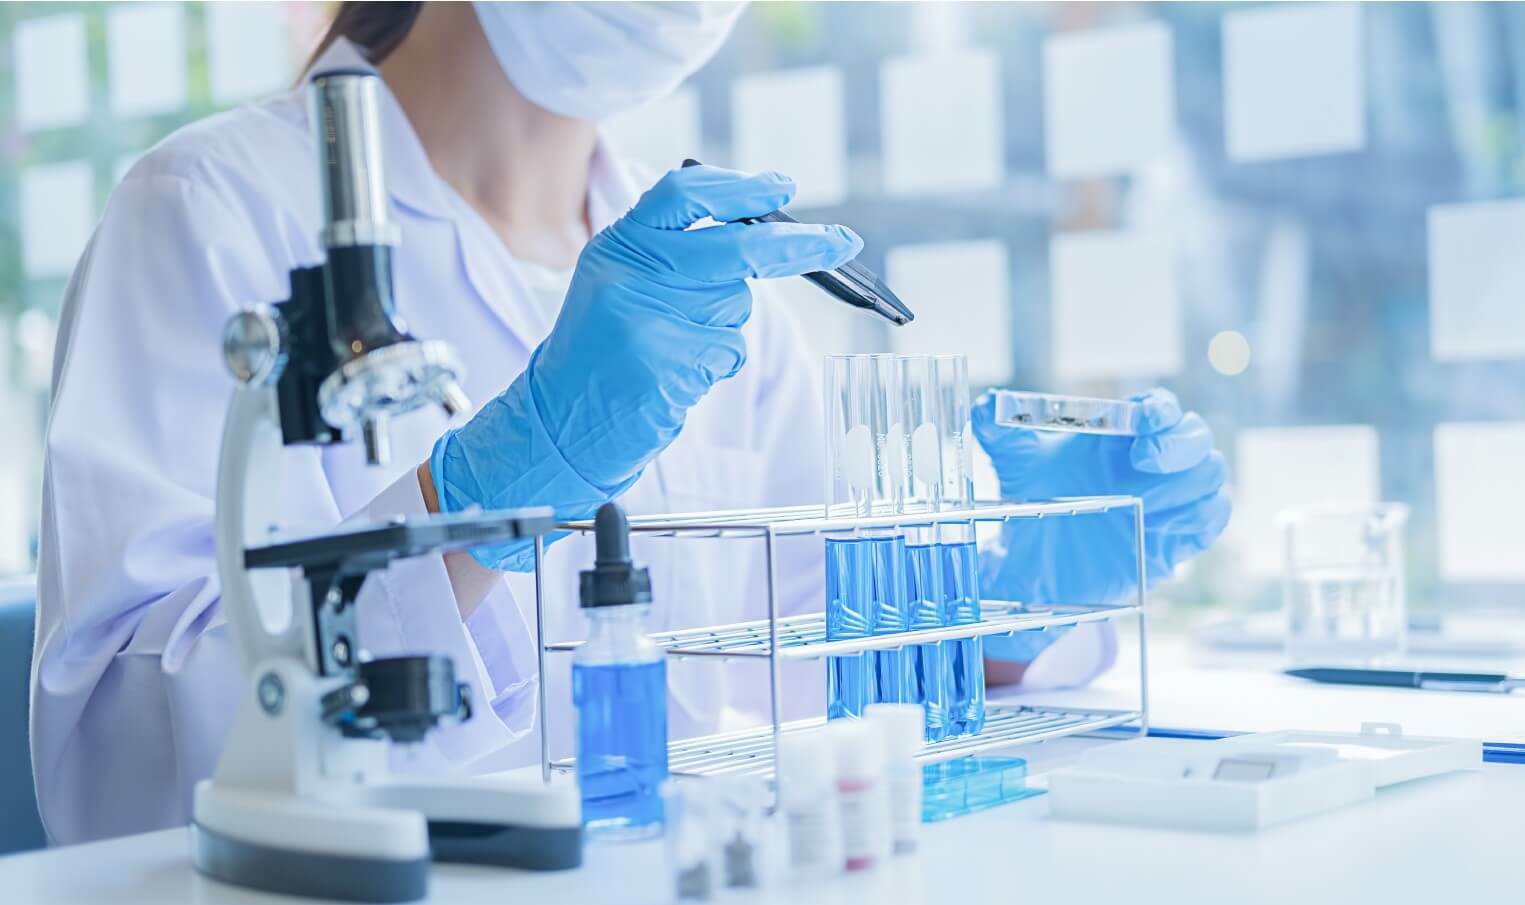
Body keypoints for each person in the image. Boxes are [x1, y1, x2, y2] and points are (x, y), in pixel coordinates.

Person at [29, 1, 1230, 846]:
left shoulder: (711, 288)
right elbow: (126, 768)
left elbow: (812, 669)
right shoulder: (211, 213)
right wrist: (476, 502)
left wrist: (1014, 600)